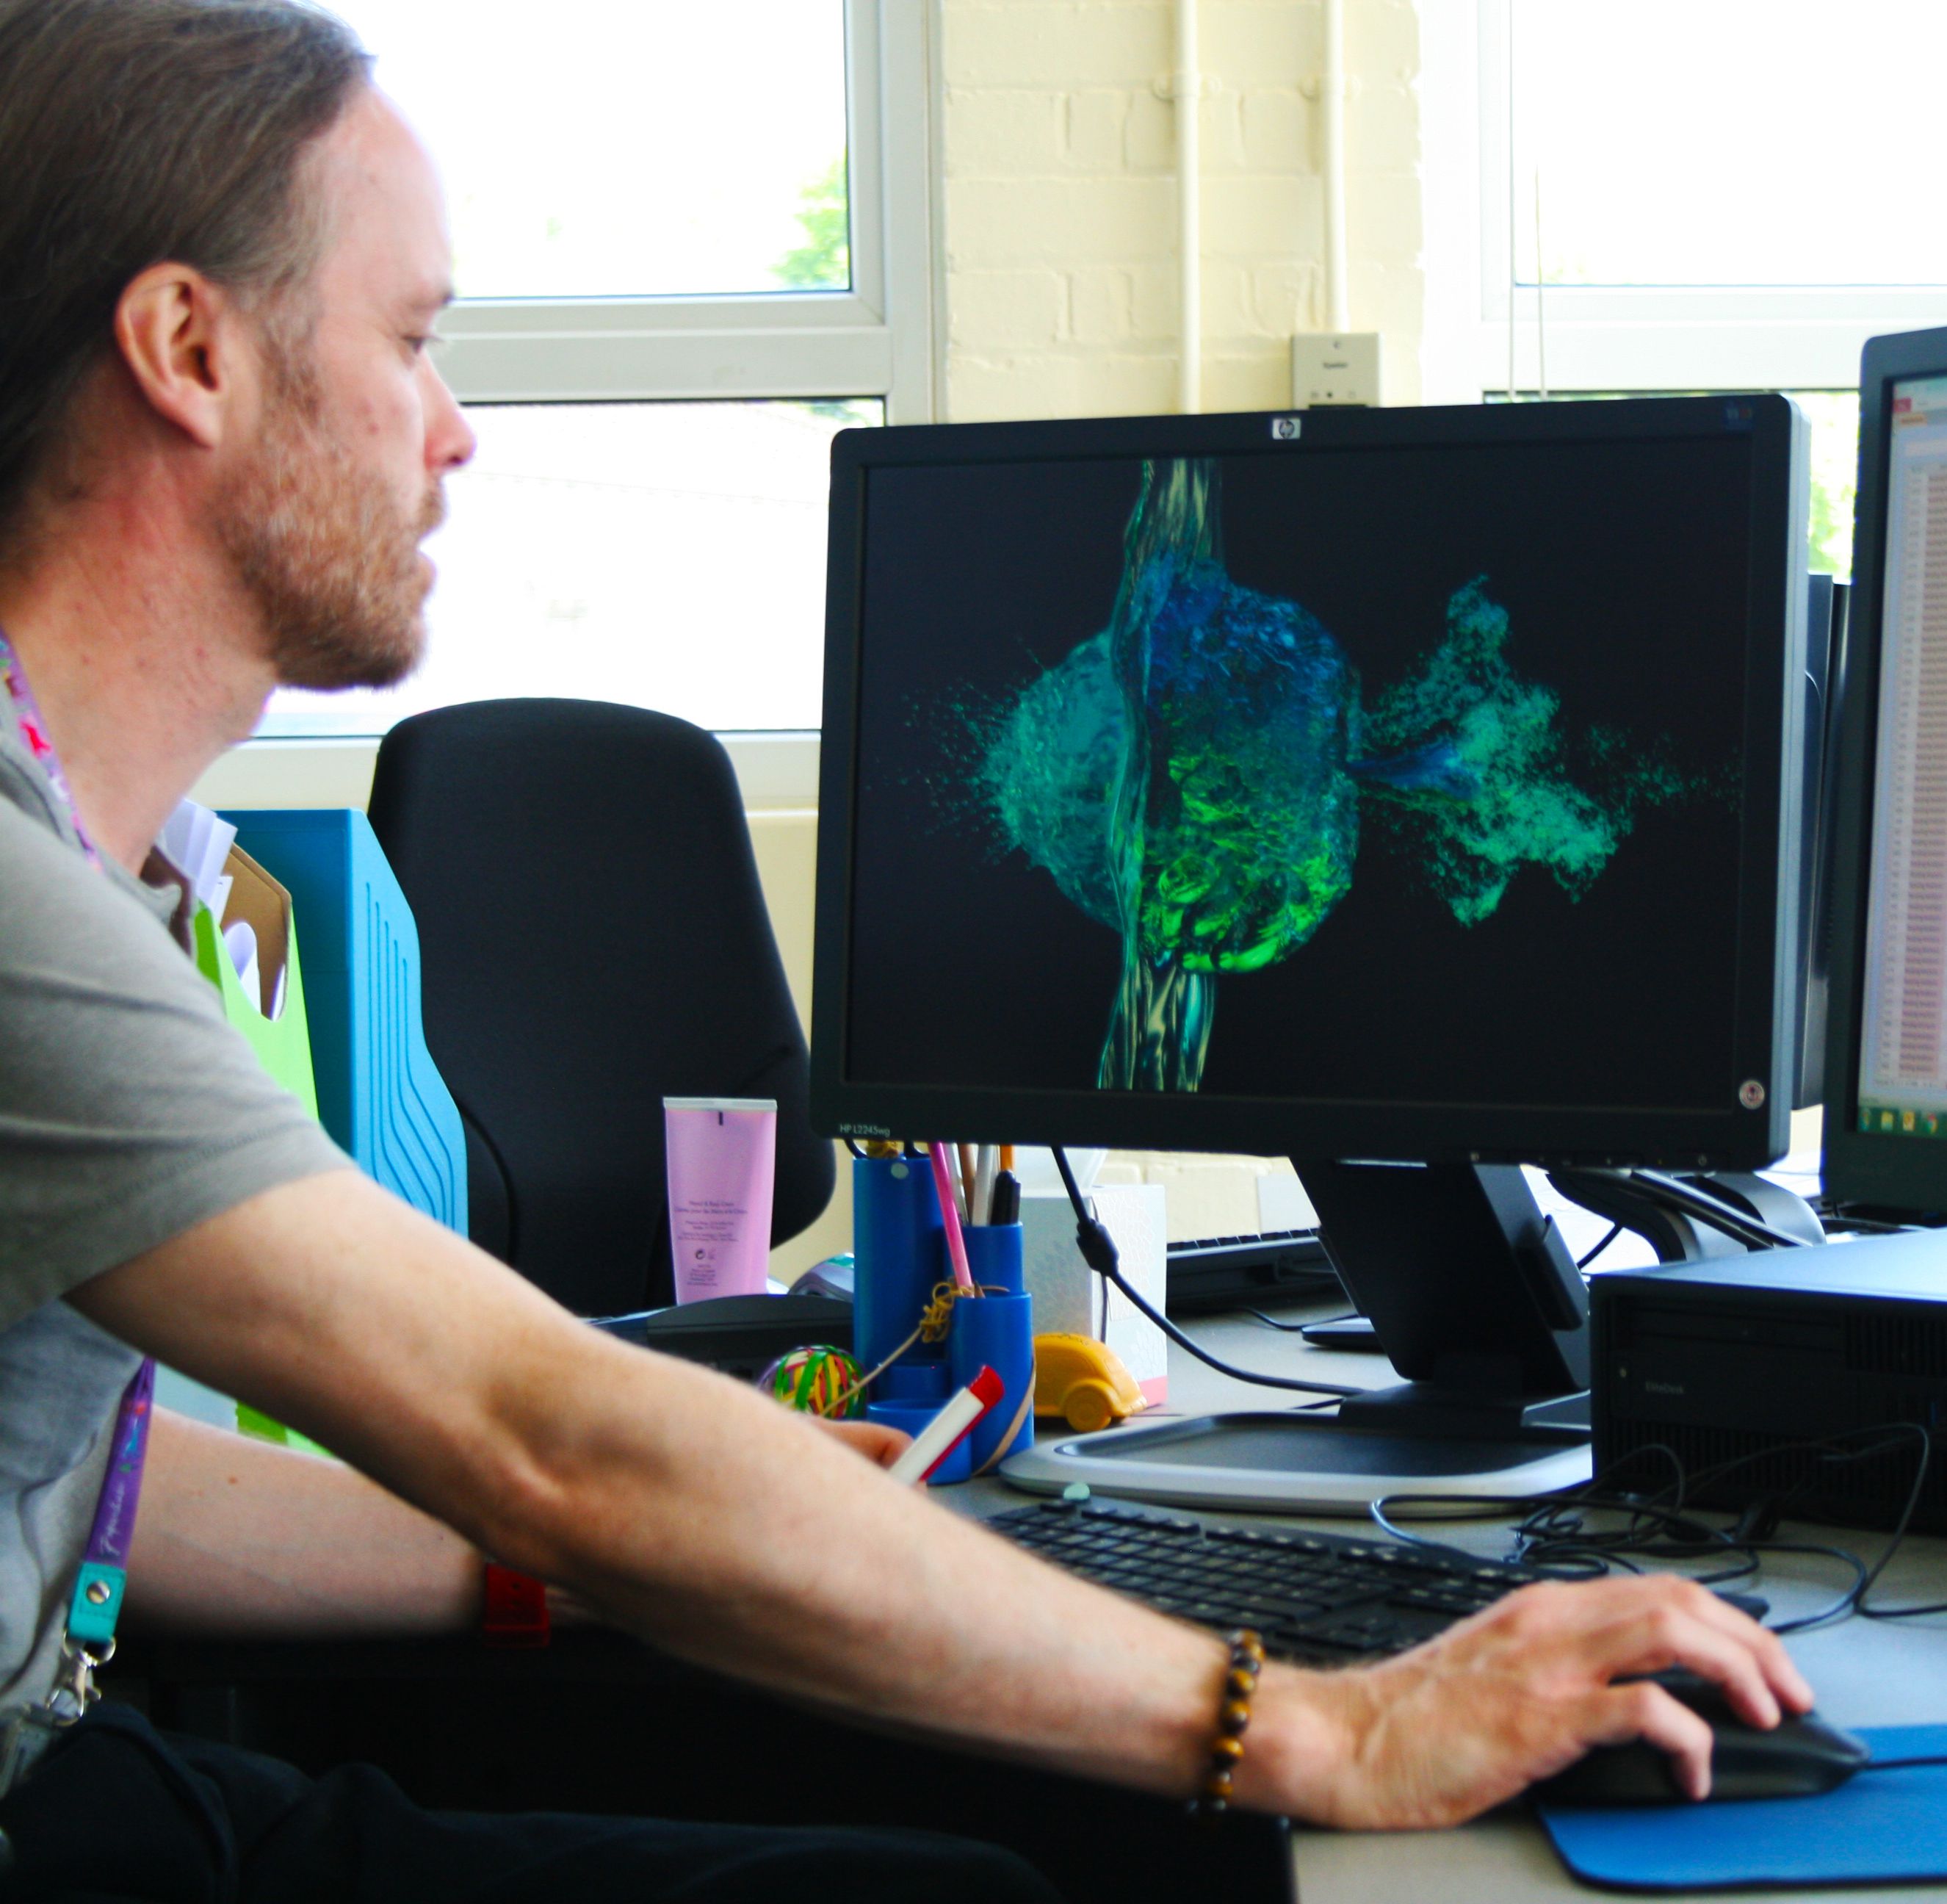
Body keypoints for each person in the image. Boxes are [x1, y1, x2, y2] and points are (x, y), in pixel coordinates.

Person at [0, 1, 1813, 1897]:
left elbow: (102, 1494)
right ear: (189, 350)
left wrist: (661, 1554)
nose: (453, 430)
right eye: (412, 339)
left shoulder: (87, 857)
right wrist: (1328, 1723)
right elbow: (544, 1431)